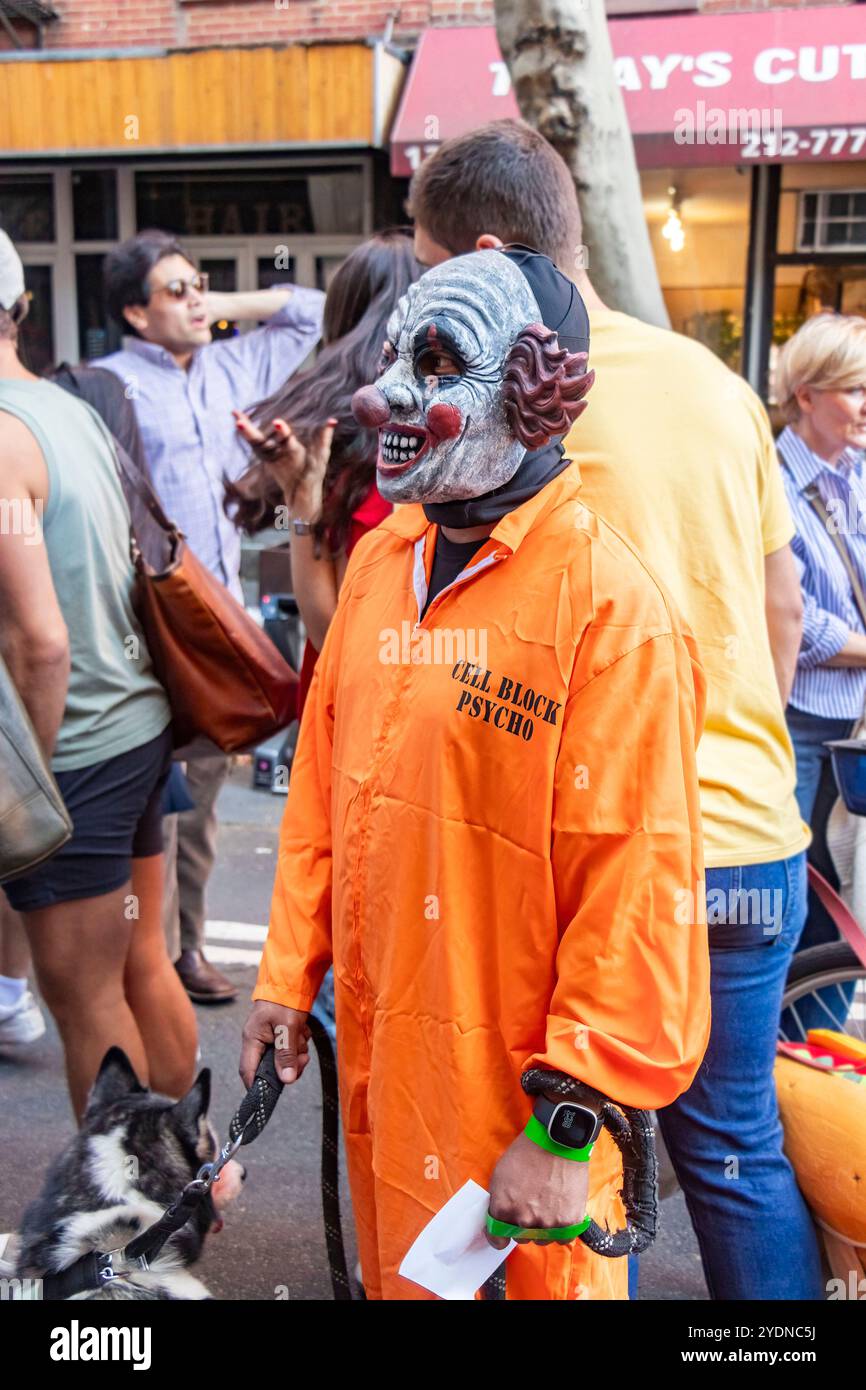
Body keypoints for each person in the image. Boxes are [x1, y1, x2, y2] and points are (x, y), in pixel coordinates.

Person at [239, 246, 710, 1301]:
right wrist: (284, 974)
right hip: (383, 1070)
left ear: (539, 398)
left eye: (438, 360)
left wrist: (568, 1117)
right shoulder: (380, 560)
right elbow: (320, 785)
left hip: (519, 1122)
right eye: (396, 352)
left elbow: (637, 889)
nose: (382, 393)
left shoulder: (607, 608)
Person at [406, 118, 823, 1301]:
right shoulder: (709, 381)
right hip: (749, 838)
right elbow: (777, 604)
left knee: (559, 1156)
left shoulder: (502, 411)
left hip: (596, 862)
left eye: (430, 260)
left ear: (485, 252)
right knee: (731, 1149)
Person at [96, 230, 325, 1005]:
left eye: (199, 285)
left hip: (222, 629)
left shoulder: (233, 362)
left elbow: (312, 313)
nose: (195, 300)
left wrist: (217, 303)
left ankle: (186, 947)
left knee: (200, 805)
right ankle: (144, 959)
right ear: (133, 311)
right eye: (175, 290)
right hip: (148, 626)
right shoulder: (108, 385)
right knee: (144, 804)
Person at [0, 230, 197, 1119]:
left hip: (72, 747)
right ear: (22, 310)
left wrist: (23, 790)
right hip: (138, 724)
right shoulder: (67, 404)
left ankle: (128, 1221)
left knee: (83, 1001)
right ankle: (185, 1178)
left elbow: (39, 642)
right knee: (141, 958)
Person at [228, 228, 422, 721]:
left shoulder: (342, 446)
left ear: (342, 318)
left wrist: (300, 505)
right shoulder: (436, 440)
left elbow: (329, 634)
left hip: (359, 716)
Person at [775, 313, 866, 992]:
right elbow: (799, 626)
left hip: (856, 718)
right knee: (799, 895)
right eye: (854, 389)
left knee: (851, 890)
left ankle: (828, 1047)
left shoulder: (856, 472)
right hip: (803, 720)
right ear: (806, 395)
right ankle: (791, 1049)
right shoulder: (773, 481)